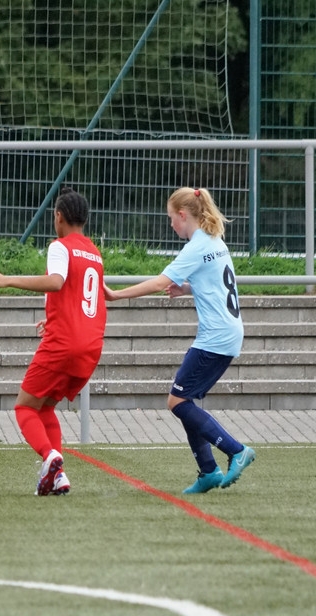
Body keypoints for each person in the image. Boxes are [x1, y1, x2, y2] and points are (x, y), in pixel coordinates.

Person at [104, 186, 255, 493]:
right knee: (185, 400)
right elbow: (216, 280)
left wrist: (117, 295)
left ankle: (236, 450)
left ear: (183, 215)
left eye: (171, 217)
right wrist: (187, 288)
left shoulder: (196, 247)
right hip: (226, 332)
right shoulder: (214, 239)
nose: (171, 223)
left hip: (215, 336)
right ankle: (209, 471)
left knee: (177, 401)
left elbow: (159, 282)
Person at [0, 188, 107, 496]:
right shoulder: (94, 252)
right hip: (91, 345)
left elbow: (56, 282)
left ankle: (49, 456)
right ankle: (58, 476)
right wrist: (54, 318)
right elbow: (83, 296)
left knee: (24, 407)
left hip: (64, 343)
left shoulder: (60, 246)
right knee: (46, 406)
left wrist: (6, 280)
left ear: (58, 216)